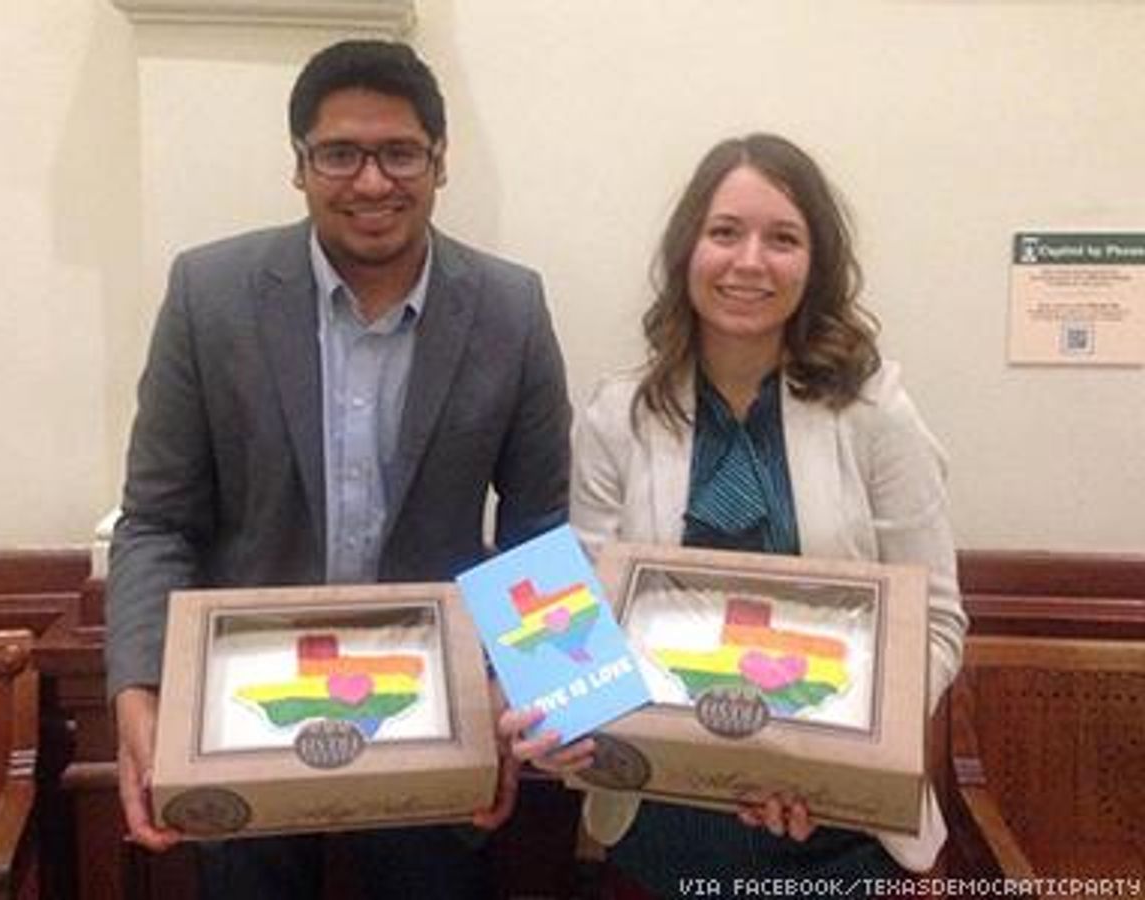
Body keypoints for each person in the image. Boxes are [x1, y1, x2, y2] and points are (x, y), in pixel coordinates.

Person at [106, 39, 571, 900]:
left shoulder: (512, 308)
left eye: (400, 153)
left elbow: (536, 531)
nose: (371, 181)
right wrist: (139, 687)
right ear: (299, 165)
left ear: (440, 161)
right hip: (243, 710)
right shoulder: (210, 295)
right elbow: (158, 520)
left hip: (437, 713)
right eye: (340, 154)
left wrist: (520, 685)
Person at [503, 134, 967, 897]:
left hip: (836, 831)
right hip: (660, 818)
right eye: (725, 232)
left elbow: (938, 621)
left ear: (816, 263)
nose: (750, 262)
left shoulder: (876, 413)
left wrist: (840, 760)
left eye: (782, 238)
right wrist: (560, 717)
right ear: (688, 248)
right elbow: (573, 611)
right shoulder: (619, 414)